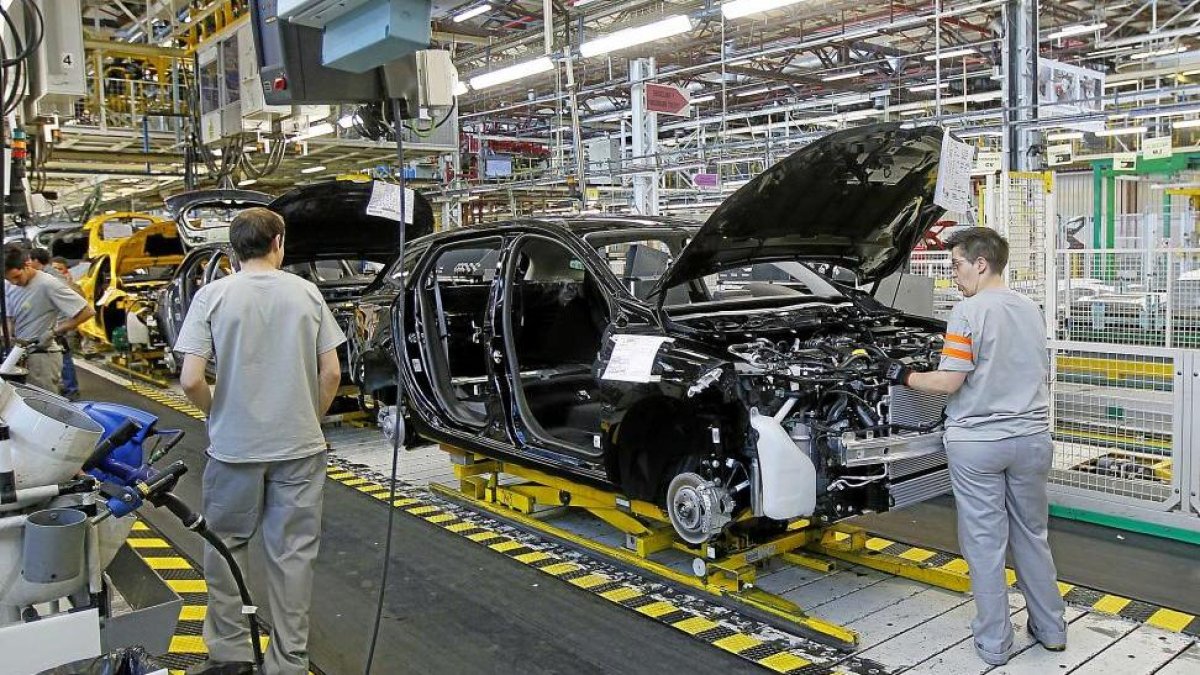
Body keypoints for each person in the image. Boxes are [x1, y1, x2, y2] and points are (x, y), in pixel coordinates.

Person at [174, 208, 343, 675]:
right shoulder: (307, 294)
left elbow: (190, 379)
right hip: (300, 448)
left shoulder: (212, 295)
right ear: (278, 242)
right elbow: (331, 372)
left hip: (234, 449)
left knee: (225, 546)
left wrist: (218, 414)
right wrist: (309, 418)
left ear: (232, 250)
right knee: (293, 556)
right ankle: (288, 662)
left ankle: (231, 655)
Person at [887, 228, 1066, 666]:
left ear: (981, 263)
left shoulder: (966, 313)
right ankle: (1052, 629)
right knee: (1032, 535)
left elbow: (948, 381)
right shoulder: (1031, 309)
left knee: (985, 544)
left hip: (980, 444)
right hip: (1031, 439)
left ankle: (994, 643)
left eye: (957, 266)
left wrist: (904, 375)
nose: (954, 276)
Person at [3, 246, 95, 394]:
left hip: (41, 356)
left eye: (17, 277)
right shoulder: (9, 285)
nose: (14, 283)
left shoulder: (48, 284)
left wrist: (53, 332)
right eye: (8, 279)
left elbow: (87, 311)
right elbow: (9, 316)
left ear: (27, 265)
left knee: (43, 403)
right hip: (18, 354)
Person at [30, 249, 82, 399]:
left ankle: (71, 389)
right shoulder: (51, 274)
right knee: (64, 353)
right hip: (61, 320)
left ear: (36, 261)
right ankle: (70, 387)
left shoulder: (50, 277)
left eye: (29, 261)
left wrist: (59, 327)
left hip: (60, 321)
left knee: (63, 353)